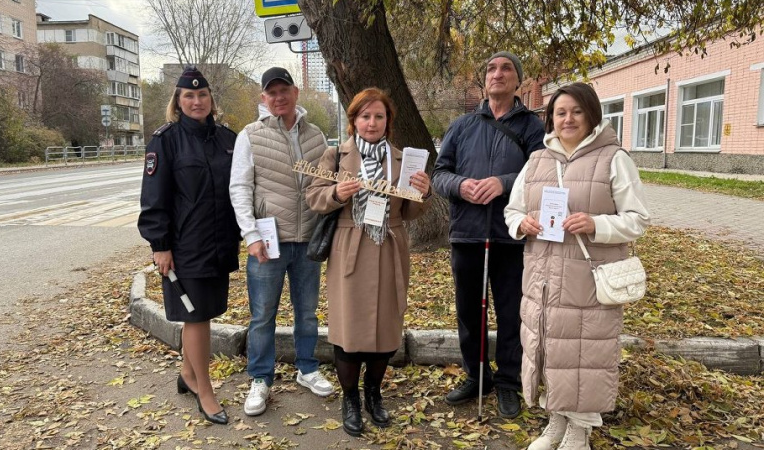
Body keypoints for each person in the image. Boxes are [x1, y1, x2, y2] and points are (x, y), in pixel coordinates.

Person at [504, 82, 651, 449]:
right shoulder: (537, 160)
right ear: (550, 119)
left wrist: (596, 224)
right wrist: (522, 224)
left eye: (576, 111)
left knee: (584, 354)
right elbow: (512, 210)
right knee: (549, 349)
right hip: (542, 278)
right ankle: (555, 421)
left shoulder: (614, 159)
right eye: (560, 112)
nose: (567, 119)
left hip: (587, 279)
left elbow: (637, 219)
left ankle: (579, 431)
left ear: (591, 114)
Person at [306, 88, 432, 437]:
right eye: (365, 116)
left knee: (386, 327)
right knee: (349, 327)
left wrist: (423, 191)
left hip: (390, 245)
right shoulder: (335, 155)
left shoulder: (403, 159)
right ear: (354, 121)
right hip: (350, 244)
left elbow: (411, 211)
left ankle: (373, 394)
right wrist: (336, 193)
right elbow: (314, 196)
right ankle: (350, 399)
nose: (372, 122)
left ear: (388, 121)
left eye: (379, 116)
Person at [431, 51, 545, 418]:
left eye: (506, 68)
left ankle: (509, 381)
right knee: (469, 312)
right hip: (466, 233)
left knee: (511, 312)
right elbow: (439, 174)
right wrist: (460, 186)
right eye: (491, 69)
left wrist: (503, 183)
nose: (497, 73)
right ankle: (477, 376)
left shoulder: (532, 127)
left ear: (518, 81)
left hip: (511, 234)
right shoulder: (462, 125)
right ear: (484, 80)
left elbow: (541, 174)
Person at [229, 67, 334, 417]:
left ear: (295, 92)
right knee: (262, 316)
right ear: (264, 98)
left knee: (307, 313)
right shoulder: (250, 135)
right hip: (267, 243)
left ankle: (307, 367)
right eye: (271, 92)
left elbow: (325, 183)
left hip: (307, 242)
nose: (278, 97)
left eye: (283, 90)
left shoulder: (316, 135)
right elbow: (240, 188)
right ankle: (260, 378)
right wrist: (251, 235)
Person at [138, 66, 239, 425]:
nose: (197, 101)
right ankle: (204, 391)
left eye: (202, 94)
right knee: (196, 318)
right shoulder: (165, 140)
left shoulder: (228, 139)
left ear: (211, 98)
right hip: (185, 247)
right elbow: (153, 198)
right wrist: (160, 245)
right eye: (189, 96)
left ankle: (187, 374)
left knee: (205, 313)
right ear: (178, 102)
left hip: (220, 241)